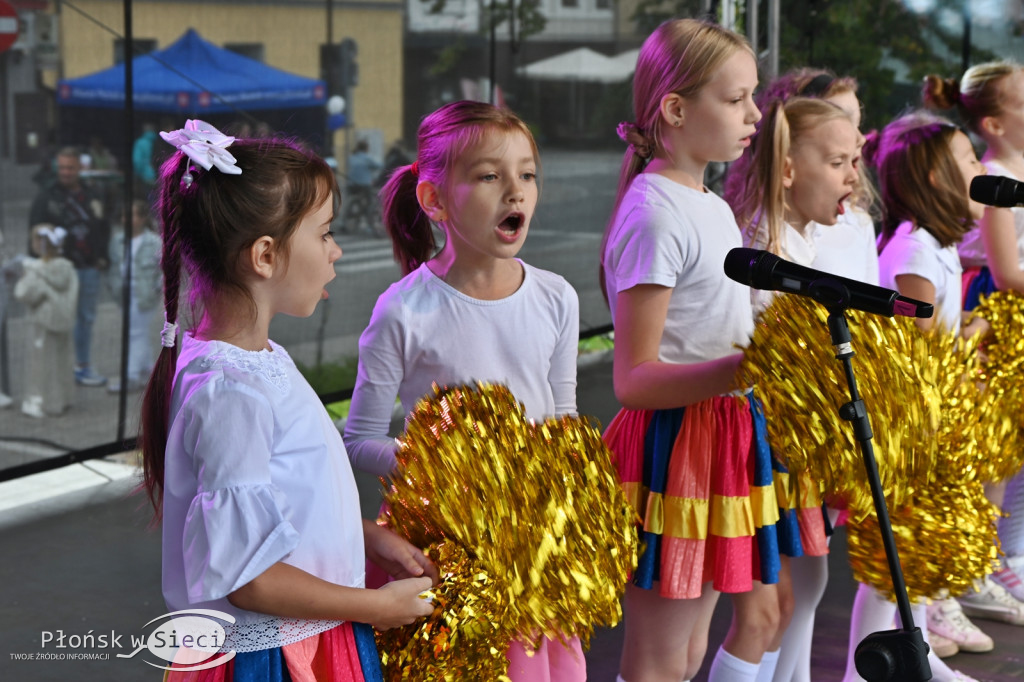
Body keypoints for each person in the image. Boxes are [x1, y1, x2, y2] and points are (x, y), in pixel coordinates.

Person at [139, 120, 436, 679]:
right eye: (324, 233)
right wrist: (377, 606)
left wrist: (359, 535)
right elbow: (252, 580)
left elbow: (278, 508)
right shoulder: (230, 392)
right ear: (265, 256)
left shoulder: (254, 361)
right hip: (274, 657)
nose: (336, 251)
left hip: (302, 639)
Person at [343, 100, 585, 680]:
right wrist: (446, 462)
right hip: (442, 548)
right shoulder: (403, 309)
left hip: (533, 542)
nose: (516, 192)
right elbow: (359, 440)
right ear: (434, 201)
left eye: (527, 174)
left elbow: (564, 413)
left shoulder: (557, 297)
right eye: (489, 176)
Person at [599, 18, 785, 682]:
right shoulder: (656, 214)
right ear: (676, 109)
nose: (755, 115)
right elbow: (634, 379)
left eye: (752, 96)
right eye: (736, 99)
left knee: (687, 649)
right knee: (657, 656)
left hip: (719, 433)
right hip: (674, 443)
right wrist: (748, 368)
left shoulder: (705, 200)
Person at [842, 111, 989, 682]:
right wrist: (974, 336)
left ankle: (917, 657)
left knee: (914, 557)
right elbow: (918, 350)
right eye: (969, 161)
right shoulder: (914, 252)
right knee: (892, 562)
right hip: (906, 427)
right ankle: (868, 670)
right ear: (934, 178)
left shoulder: (936, 245)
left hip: (929, 423)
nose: (981, 170)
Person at [726, 94, 861, 682]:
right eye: (836, 162)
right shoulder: (765, 249)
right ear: (786, 168)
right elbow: (756, 363)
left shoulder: (803, 241)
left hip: (785, 451)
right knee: (763, 612)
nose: (853, 175)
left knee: (781, 607)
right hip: (757, 451)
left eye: (854, 160)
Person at [922, 60, 1024, 643]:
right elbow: (1008, 272)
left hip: (1011, 319)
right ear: (995, 123)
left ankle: (1005, 556)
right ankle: (979, 564)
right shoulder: (991, 177)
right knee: (993, 448)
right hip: (997, 320)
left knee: (1015, 448)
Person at [28, 147, 110, 387]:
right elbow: (33, 231)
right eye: (61, 167)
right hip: (59, 270)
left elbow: (103, 227)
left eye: (70, 167)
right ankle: (58, 370)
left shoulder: (93, 193)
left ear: (79, 168)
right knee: (58, 319)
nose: (65, 172)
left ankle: (82, 366)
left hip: (88, 267)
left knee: (85, 318)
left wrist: (102, 257)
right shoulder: (46, 196)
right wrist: (37, 264)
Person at [14, 224, 78, 418]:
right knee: (61, 360)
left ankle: (38, 401)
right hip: (62, 321)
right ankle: (61, 399)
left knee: (40, 363)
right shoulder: (67, 268)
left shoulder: (34, 269)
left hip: (42, 323)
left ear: (39, 243)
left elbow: (23, 293)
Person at [106, 199, 162, 393]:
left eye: (131, 215)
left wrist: (157, 288)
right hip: (123, 292)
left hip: (143, 293)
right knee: (139, 332)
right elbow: (114, 265)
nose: (126, 219)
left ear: (142, 218)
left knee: (135, 333)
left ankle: (130, 375)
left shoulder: (153, 242)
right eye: (124, 215)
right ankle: (148, 370)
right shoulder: (118, 240)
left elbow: (164, 269)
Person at [343, 139, 382, 234]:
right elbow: (379, 166)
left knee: (350, 200)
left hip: (351, 184)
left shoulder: (352, 157)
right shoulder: (367, 158)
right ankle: (369, 223)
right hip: (364, 185)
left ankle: (343, 222)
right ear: (366, 148)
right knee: (370, 203)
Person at [132, 123, 159, 196]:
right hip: (158, 175)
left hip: (145, 176)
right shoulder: (158, 141)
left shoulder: (140, 143)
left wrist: (138, 175)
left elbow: (137, 161)